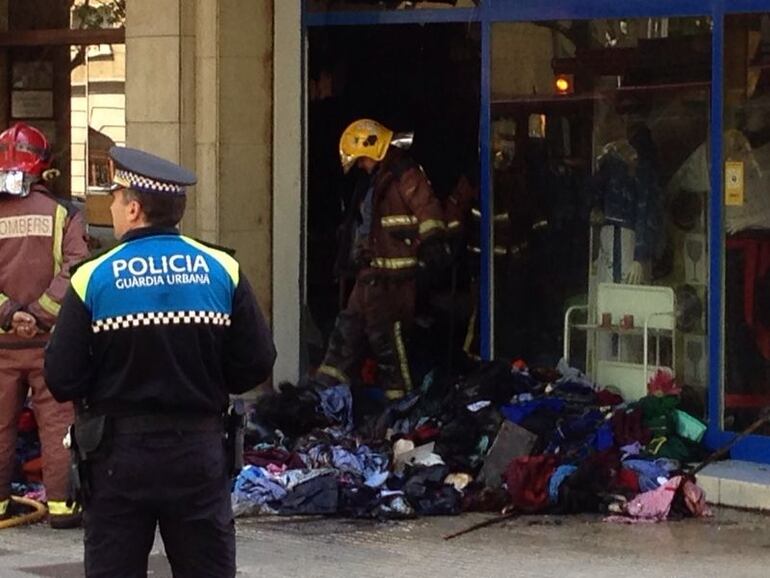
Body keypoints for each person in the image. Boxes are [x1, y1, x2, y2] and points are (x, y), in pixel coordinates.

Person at [44, 146, 276, 577]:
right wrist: (205, 378)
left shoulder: (93, 276)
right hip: (199, 454)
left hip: (116, 458)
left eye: (115, 198)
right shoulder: (222, 267)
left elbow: (62, 377)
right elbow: (257, 362)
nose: (111, 206)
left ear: (133, 209)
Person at [315, 118, 449, 401]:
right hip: (370, 276)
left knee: (388, 344)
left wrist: (433, 246)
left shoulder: (404, 174)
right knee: (345, 333)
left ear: (373, 149)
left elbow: (428, 210)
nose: (361, 166)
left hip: (394, 283)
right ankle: (320, 396)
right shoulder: (373, 182)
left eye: (362, 159)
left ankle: (401, 407)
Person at [0, 122, 89, 529]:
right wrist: (38, 314)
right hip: (50, 344)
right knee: (57, 425)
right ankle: (62, 507)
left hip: (1, 343)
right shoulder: (64, 213)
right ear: (44, 167)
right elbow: (76, 271)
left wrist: (9, 314)